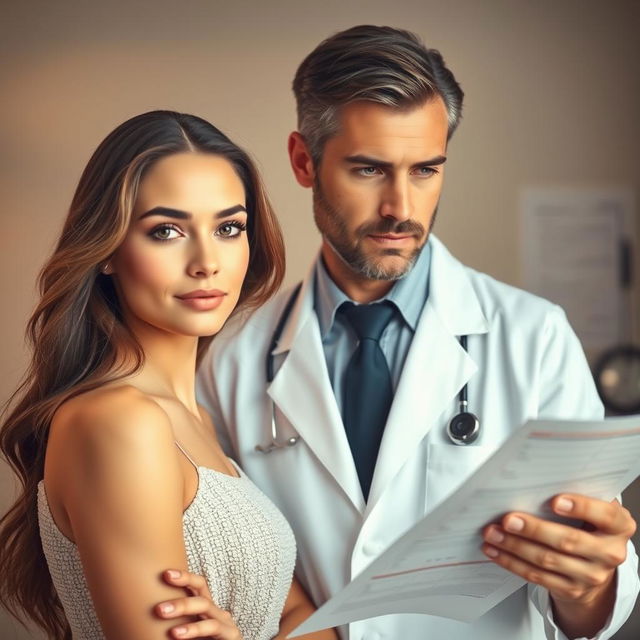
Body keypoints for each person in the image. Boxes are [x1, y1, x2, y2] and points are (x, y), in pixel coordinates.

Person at [158, 25, 639, 640]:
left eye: (426, 170)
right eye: (368, 170)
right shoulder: (232, 358)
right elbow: (242, 579)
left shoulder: (535, 338)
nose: (400, 208)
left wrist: (591, 583)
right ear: (304, 161)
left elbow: (593, 595)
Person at [0, 110, 338, 640]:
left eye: (229, 228)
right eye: (166, 231)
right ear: (108, 249)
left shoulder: (195, 418)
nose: (207, 261)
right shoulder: (116, 421)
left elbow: (304, 621)